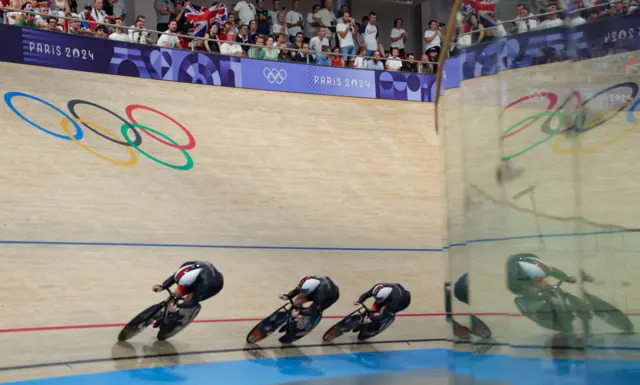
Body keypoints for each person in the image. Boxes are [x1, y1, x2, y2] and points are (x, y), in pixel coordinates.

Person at [152, 261, 224, 321]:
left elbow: (192, 301)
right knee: (176, 294)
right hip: (201, 276)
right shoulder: (186, 266)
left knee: (188, 300)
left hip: (213, 286)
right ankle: (169, 311)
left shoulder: (204, 284)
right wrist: (163, 286)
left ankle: (180, 317)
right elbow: (173, 278)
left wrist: (178, 306)